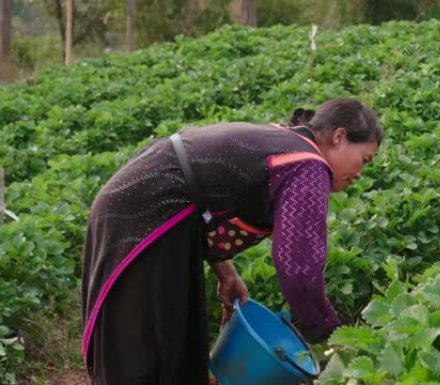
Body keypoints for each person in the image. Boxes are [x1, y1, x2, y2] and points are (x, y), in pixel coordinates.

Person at [81, 98, 383, 384]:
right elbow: (299, 268)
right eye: (364, 159)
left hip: (147, 204)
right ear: (339, 137)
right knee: (145, 349)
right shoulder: (307, 166)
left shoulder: (286, 143)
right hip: (147, 211)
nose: (360, 173)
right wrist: (335, 336)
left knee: (170, 341)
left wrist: (226, 273)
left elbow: (204, 192)